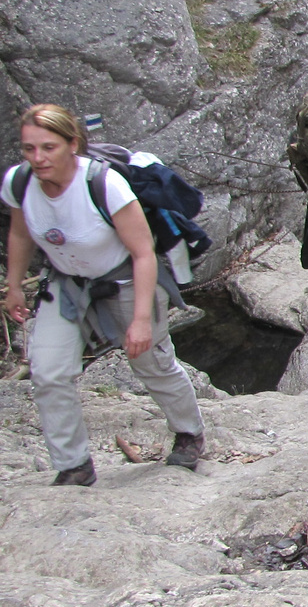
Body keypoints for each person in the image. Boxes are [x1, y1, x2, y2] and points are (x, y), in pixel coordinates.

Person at [2, 104, 205, 484]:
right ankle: (73, 464)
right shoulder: (19, 183)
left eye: (48, 147)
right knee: (48, 372)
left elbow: (143, 253)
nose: (38, 158)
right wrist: (15, 286)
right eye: (29, 149)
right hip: (66, 282)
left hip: (125, 279)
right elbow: (20, 233)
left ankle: (189, 433)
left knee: (152, 364)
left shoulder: (104, 185)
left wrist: (142, 320)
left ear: (72, 144)